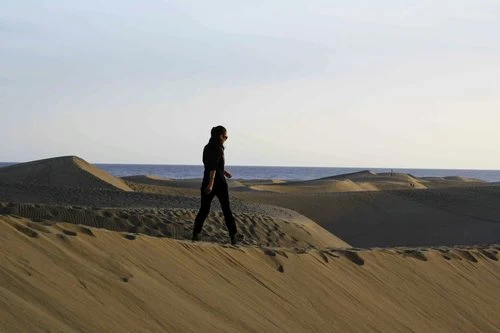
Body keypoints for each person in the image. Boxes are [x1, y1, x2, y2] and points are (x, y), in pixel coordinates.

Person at [192, 126, 242, 245]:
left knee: (203, 210)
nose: (226, 138)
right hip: (218, 184)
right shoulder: (218, 149)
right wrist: (211, 184)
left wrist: (224, 171)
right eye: (225, 136)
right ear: (220, 136)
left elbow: (210, 164)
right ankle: (233, 236)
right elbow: (213, 167)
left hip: (207, 181)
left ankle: (196, 235)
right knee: (226, 210)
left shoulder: (207, 148)